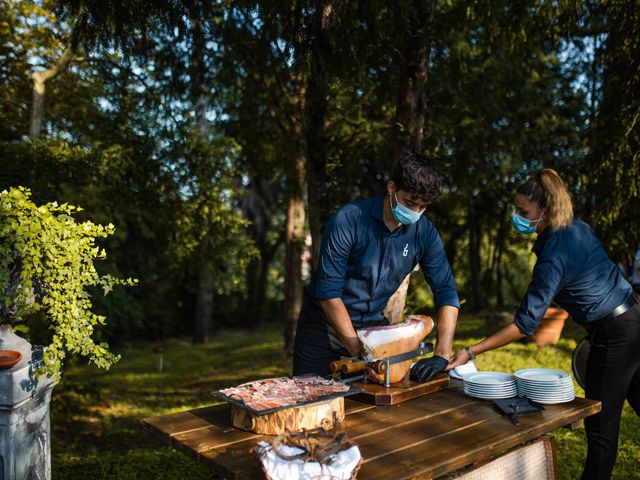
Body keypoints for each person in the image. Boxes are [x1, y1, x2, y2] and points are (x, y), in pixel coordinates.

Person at [447, 169, 640, 480]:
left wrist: (471, 351)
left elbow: (525, 325)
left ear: (545, 211)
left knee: (601, 430)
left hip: (614, 336)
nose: (517, 216)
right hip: (635, 317)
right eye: (516, 209)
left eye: (523, 212)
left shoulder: (552, 257)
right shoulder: (579, 229)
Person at [292, 153, 460, 381]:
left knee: (380, 409)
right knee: (310, 403)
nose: (416, 213)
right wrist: (360, 353)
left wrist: (441, 354)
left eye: (423, 207)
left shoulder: (425, 232)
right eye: (410, 203)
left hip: (374, 330)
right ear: (391, 187)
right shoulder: (348, 220)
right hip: (323, 332)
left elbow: (446, 292)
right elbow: (328, 294)